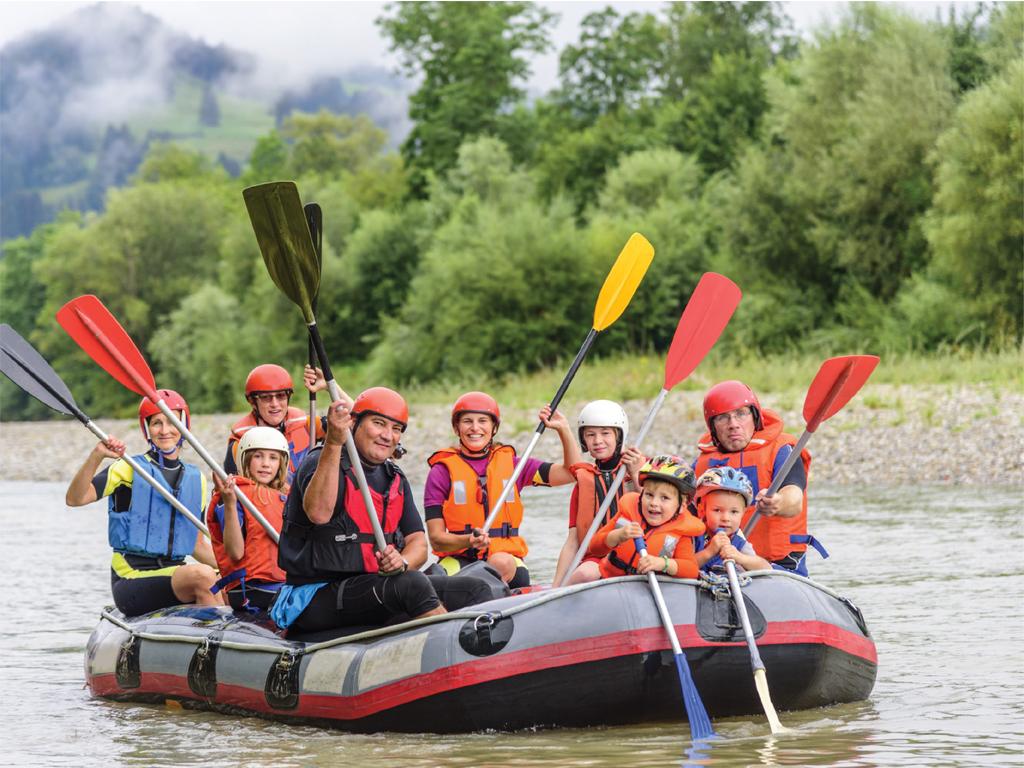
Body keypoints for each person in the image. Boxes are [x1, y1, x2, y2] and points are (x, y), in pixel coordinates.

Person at [273, 387, 494, 634]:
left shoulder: (394, 477)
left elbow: (418, 544)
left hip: (370, 588)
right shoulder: (320, 460)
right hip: (313, 596)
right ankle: (454, 646)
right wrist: (334, 442)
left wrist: (402, 561)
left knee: (475, 588)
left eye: (396, 429)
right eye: (379, 424)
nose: (387, 435)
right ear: (353, 423)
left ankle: (483, 655)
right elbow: (319, 513)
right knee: (412, 585)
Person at [65, 389, 221, 616]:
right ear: (147, 428)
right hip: (131, 578)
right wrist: (97, 455)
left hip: (173, 573)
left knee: (224, 581)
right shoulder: (129, 467)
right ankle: (213, 640)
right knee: (204, 576)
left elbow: (197, 545)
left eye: (172, 422)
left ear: (184, 425)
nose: (165, 430)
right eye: (157, 423)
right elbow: (75, 499)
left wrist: (237, 568)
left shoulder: (196, 479)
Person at [424, 391, 582, 588]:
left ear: (494, 427)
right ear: (457, 428)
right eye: (467, 421)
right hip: (459, 558)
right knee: (427, 581)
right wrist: (468, 541)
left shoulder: (515, 466)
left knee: (500, 562)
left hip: (507, 560)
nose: (475, 428)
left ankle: (474, 593)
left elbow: (571, 472)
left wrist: (563, 429)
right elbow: (437, 540)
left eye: (483, 421)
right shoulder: (441, 472)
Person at [694, 380, 827, 575]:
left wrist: (777, 503)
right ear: (712, 426)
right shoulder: (703, 463)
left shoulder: (783, 451)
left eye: (741, 414)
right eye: (723, 418)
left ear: (755, 417)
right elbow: (671, 504)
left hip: (779, 565)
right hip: (718, 565)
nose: (733, 425)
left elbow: (794, 499)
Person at [553, 400, 645, 586]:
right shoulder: (584, 481)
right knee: (584, 574)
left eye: (605, 433)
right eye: (590, 435)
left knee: (586, 574)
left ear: (619, 436)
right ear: (584, 440)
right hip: (596, 559)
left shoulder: (642, 469)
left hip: (637, 553)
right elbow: (573, 541)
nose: (597, 441)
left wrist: (636, 475)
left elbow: (659, 508)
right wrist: (555, 587)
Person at [206, 426, 289, 611]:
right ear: (245, 459)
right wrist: (229, 502)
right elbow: (235, 553)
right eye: (258, 456)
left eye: (273, 457)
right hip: (252, 589)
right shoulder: (234, 495)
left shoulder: (286, 497)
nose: (266, 463)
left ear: (281, 463)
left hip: (283, 585)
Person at [589, 455, 704, 580]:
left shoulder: (681, 533)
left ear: (681, 506)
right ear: (641, 495)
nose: (654, 503)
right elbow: (594, 548)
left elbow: (691, 570)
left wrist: (663, 564)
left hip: (647, 591)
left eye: (664, 498)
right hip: (610, 581)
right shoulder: (627, 515)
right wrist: (617, 536)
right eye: (649, 494)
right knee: (585, 573)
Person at [224, 363, 324, 482]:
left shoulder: (306, 423)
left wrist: (329, 386)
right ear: (252, 401)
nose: (275, 404)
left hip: (308, 495)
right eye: (266, 397)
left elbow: (350, 426)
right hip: (268, 498)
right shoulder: (240, 443)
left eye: (281, 396)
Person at [692, 466, 771, 573]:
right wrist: (709, 552)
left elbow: (766, 569)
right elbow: (680, 566)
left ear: (742, 513)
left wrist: (740, 557)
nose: (725, 518)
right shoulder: (693, 536)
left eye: (734, 512)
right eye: (717, 510)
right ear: (702, 510)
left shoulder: (738, 542)